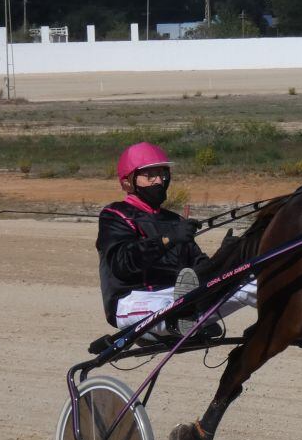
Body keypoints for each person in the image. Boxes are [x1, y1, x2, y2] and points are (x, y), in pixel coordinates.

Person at [96, 141, 256, 337]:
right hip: (133, 300)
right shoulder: (115, 215)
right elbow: (122, 264)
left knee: (249, 283)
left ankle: (287, 315)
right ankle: (190, 320)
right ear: (128, 181)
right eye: (149, 175)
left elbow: (199, 269)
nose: (159, 181)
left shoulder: (175, 220)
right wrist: (167, 240)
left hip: (181, 296)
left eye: (162, 174)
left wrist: (225, 257)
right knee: (168, 306)